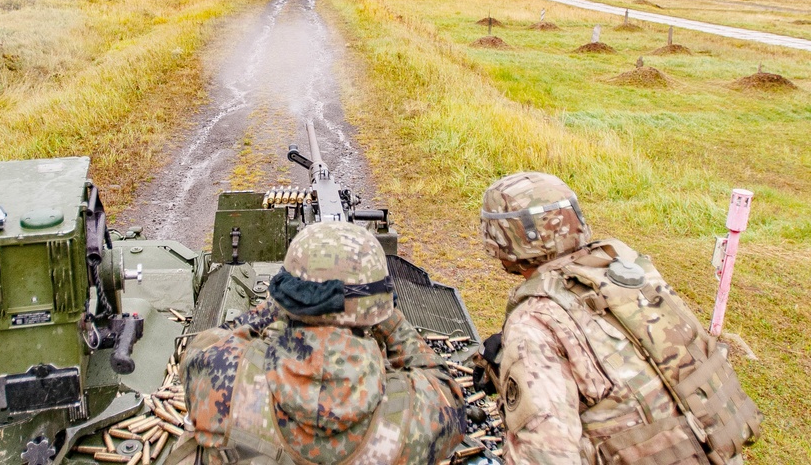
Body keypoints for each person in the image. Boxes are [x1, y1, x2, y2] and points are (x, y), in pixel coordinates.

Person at [478, 172, 761, 465]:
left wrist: (527, 348)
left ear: (501, 240)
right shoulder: (625, 270)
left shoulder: (532, 323)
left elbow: (545, 456)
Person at [171, 221, 465, 464]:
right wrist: (387, 316)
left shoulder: (221, 376)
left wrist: (277, 305)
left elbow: (206, 344)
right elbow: (447, 390)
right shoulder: (418, 411)